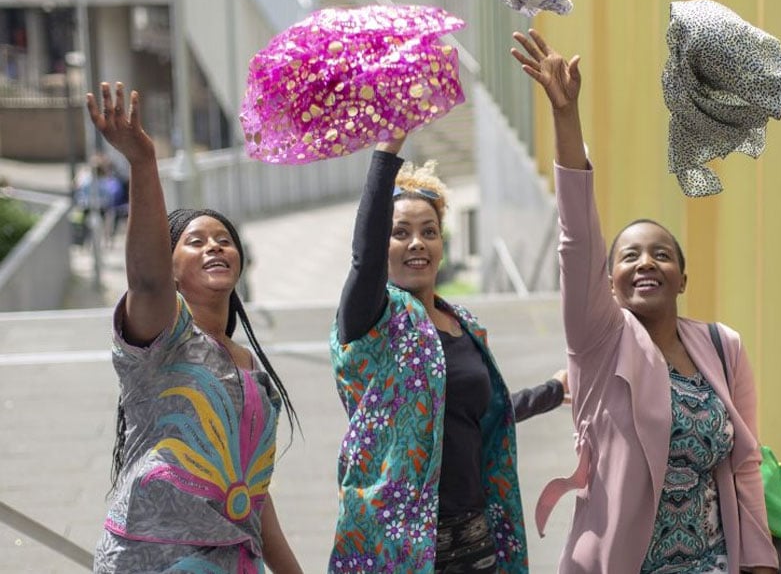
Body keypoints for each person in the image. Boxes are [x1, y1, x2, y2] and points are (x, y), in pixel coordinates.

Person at [512, 29, 778, 574]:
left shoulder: (722, 346)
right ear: (608, 281)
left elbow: (745, 463)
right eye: (629, 256)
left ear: (683, 278)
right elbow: (578, 241)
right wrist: (567, 118)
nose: (646, 263)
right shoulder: (597, 342)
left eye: (661, 254)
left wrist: (760, 562)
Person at [85, 83, 302, 573]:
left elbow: (258, 505)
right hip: (153, 558)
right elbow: (144, 277)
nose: (214, 247)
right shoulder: (163, 337)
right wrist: (142, 163)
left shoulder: (253, 371)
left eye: (224, 239)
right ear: (173, 268)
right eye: (196, 240)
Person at [329, 134, 568, 573]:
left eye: (429, 232)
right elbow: (363, 261)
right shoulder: (369, 319)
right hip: (398, 549)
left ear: (442, 245)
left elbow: (480, 417)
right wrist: (386, 151)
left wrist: (553, 391)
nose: (416, 243)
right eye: (399, 233)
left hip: (476, 543)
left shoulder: (464, 327)